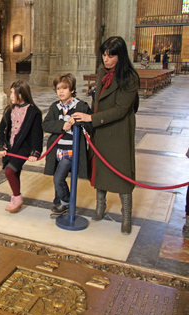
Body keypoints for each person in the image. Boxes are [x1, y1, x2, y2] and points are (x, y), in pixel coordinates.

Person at [73, 36, 139, 235]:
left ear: (120, 56)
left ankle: (126, 216)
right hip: (101, 129)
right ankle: (100, 208)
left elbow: (120, 109)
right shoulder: (102, 71)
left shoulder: (130, 76)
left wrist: (91, 118)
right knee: (100, 168)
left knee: (122, 172)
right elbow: (98, 101)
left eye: (111, 56)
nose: (106, 59)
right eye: (104, 55)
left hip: (119, 130)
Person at [42, 73, 92, 219]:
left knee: (58, 178)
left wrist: (79, 121)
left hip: (71, 151)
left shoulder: (81, 106)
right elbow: (46, 124)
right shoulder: (55, 107)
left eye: (64, 88)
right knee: (59, 177)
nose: (61, 92)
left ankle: (66, 202)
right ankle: (60, 202)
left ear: (72, 90)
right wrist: (61, 125)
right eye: (58, 88)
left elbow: (90, 124)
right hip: (57, 149)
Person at [0, 80, 43, 213]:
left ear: (22, 94)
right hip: (10, 146)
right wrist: (1, 146)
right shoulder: (9, 109)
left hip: (24, 148)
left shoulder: (34, 112)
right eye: (10, 92)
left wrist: (35, 152)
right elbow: (2, 129)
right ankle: (16, 195)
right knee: (13, 171)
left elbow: (37, 134)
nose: (11, 95)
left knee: (9, 171)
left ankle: (17, 198)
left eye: (13, 92)